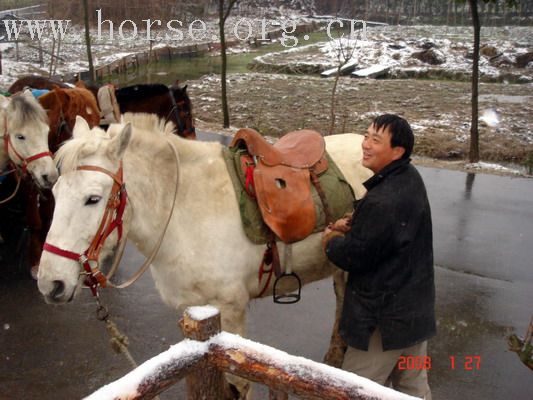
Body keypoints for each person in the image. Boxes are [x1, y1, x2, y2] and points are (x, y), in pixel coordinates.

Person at [323, 114, 435, 399]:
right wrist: (357, 219)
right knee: (413, 388)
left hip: (381, 324)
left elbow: (355, 255)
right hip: (414, 314)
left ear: (397, 151)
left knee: (353, 390)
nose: (366, 145)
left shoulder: (384, 200)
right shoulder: (408, 178)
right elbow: (390, 233)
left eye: (376, 140)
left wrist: (331, 240)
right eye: (366, 135)